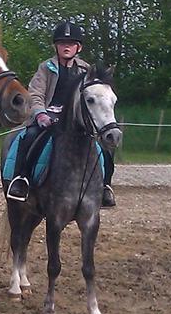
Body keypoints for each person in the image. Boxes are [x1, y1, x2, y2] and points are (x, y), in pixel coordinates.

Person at [6, 20, 116, 207]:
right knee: (29, 137)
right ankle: (21, 179)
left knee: (103, 149)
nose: (66, 47)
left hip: (75, 120)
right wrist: (40, 114)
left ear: (78, 47)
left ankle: (105, 186)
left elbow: (96, 96)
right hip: (47, 118)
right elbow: (35, 94)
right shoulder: (45, 68)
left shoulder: (86, 70)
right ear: (56, 46)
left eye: (71, 44)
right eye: (62, 44)